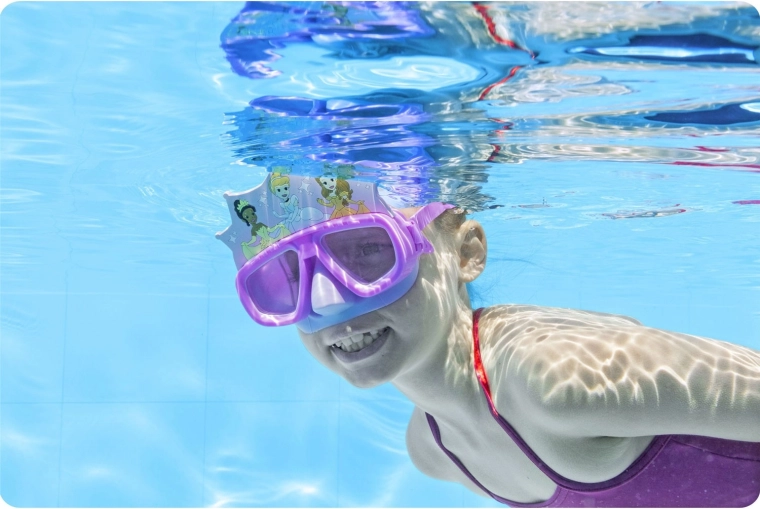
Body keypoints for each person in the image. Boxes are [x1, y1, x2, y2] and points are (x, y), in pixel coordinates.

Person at [220, 174, 760, 508]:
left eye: (369, 253)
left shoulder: (551, 379)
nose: (329, 303)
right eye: (289, 278)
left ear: (465, 254)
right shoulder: (431, 450)